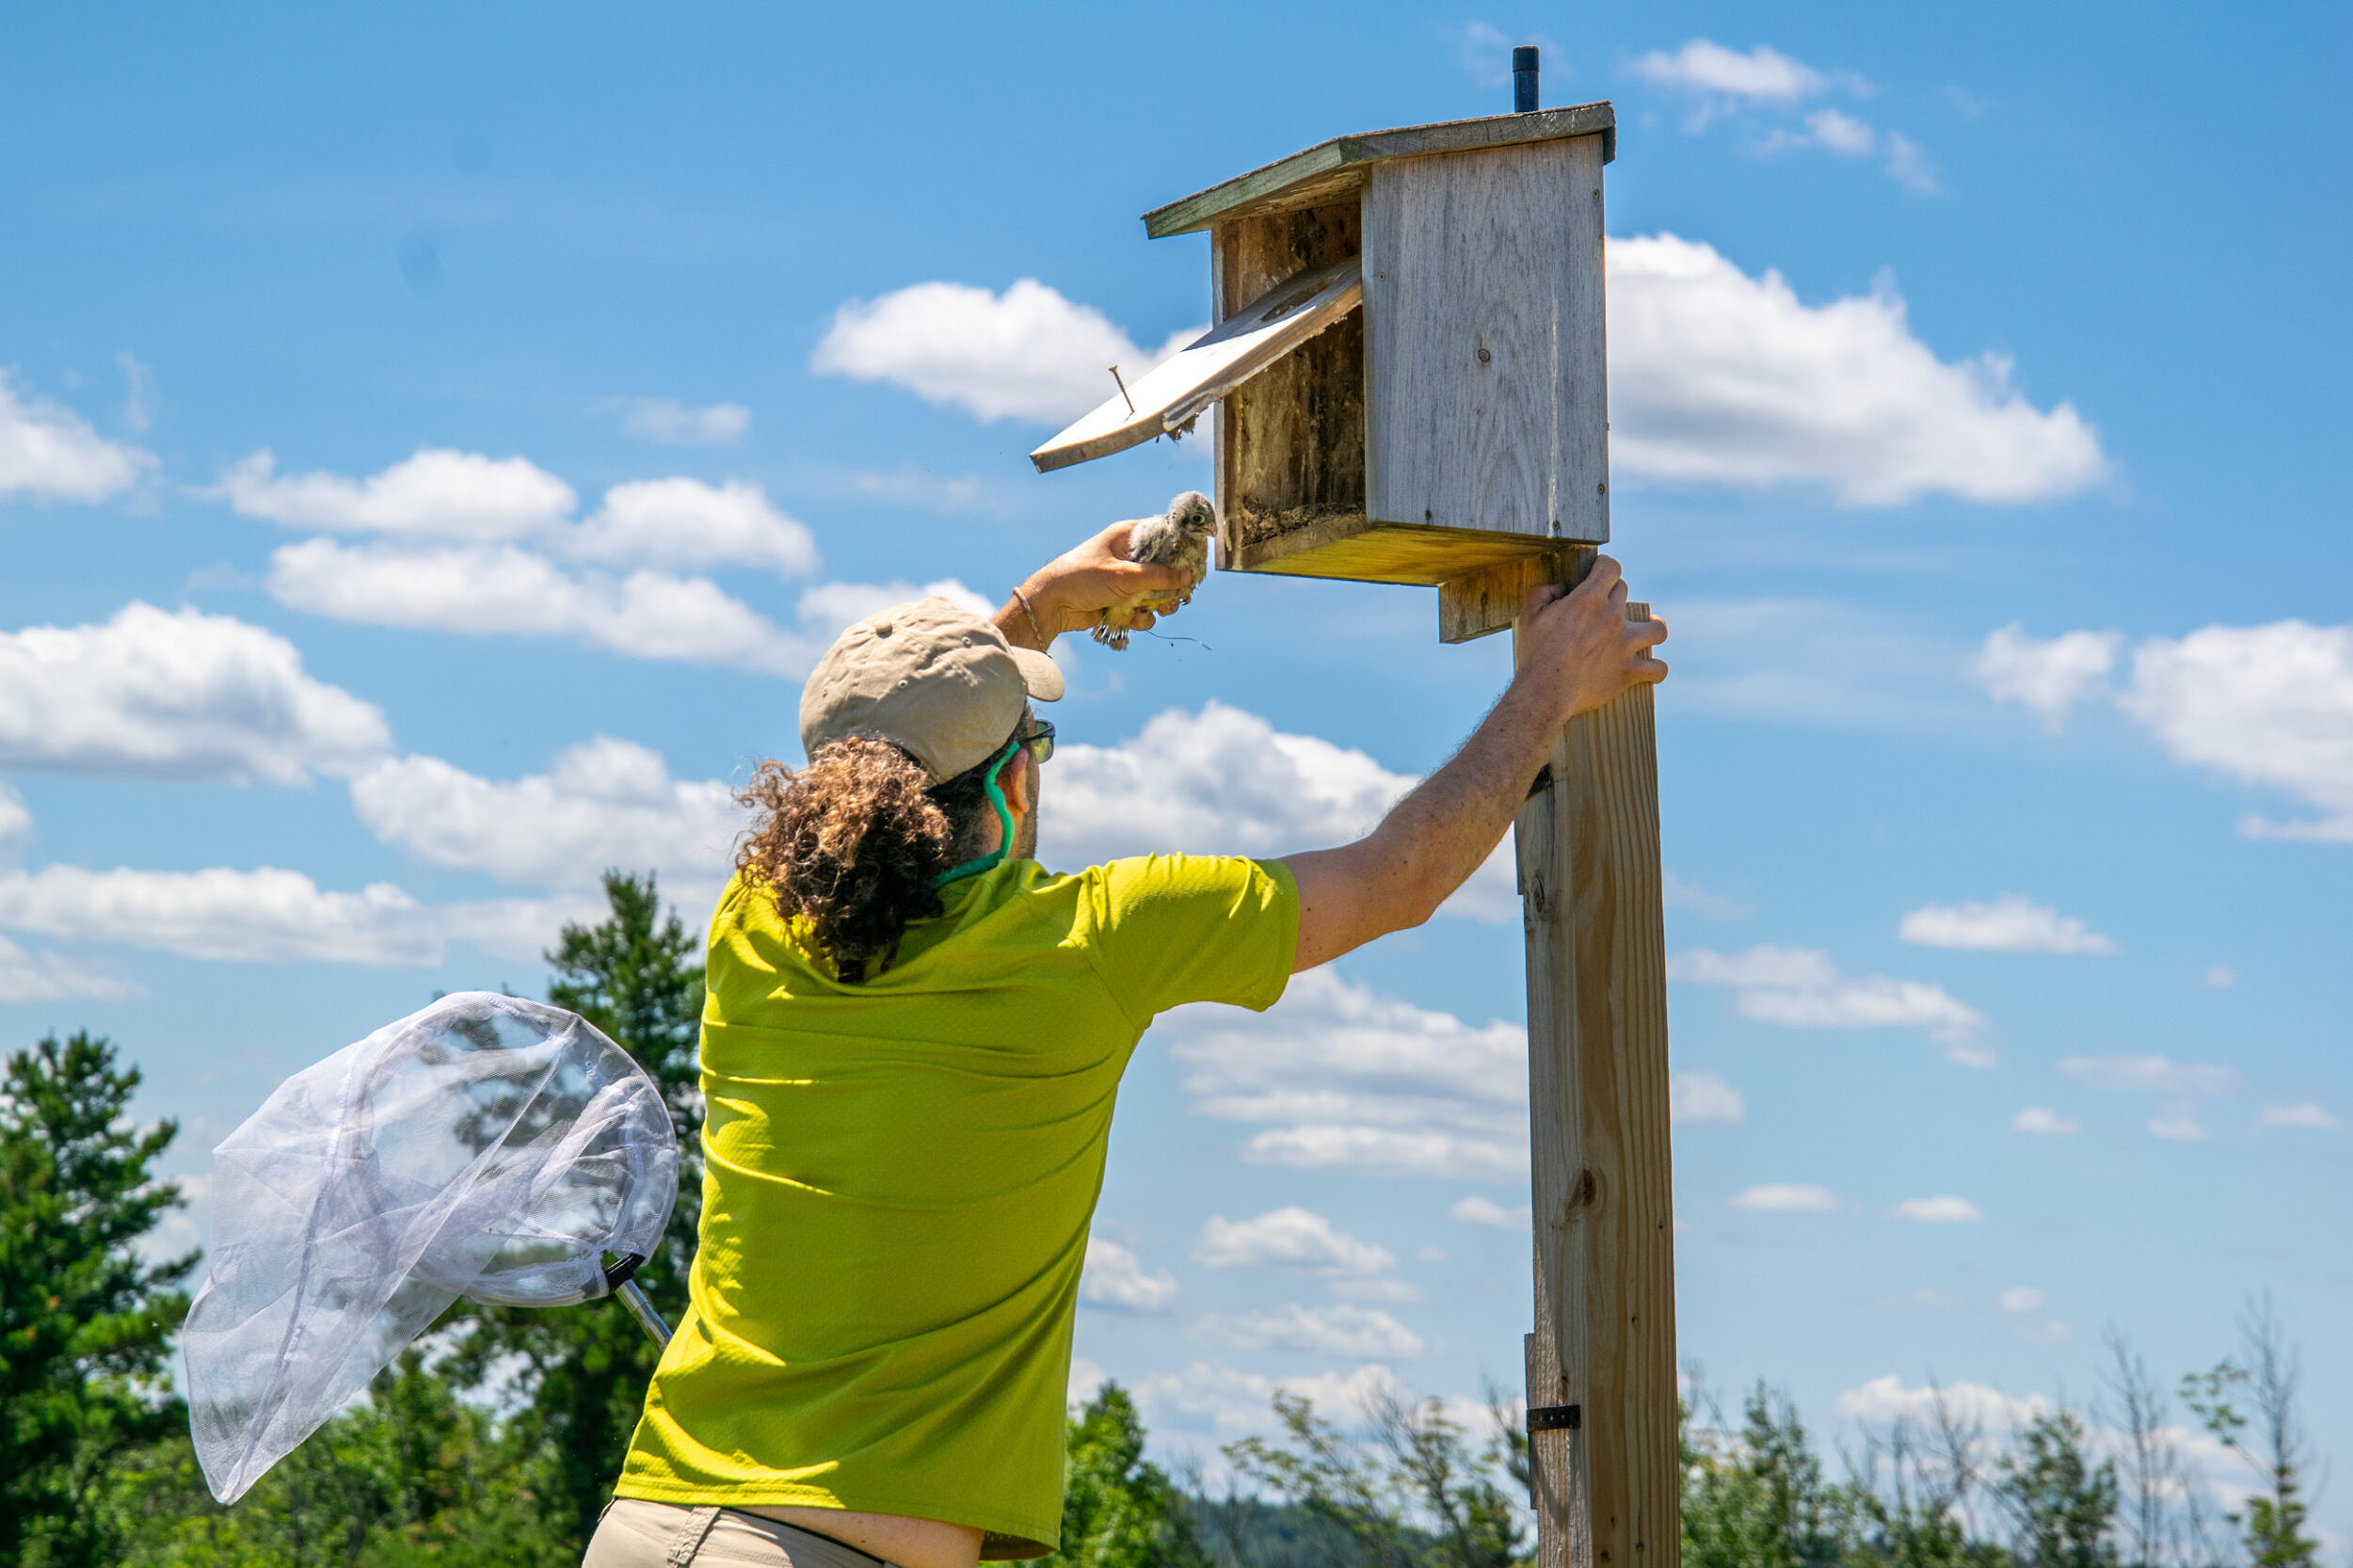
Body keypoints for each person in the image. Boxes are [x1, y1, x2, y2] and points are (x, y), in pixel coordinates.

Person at [583, 518, 1669, 1568]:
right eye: (1032, 744)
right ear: (1012, 787)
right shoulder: (1094, 942)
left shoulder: (753, 926)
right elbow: (1397, 878)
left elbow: (904, 748)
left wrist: (1036, 611)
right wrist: (1547, 691)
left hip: (645, 1523)